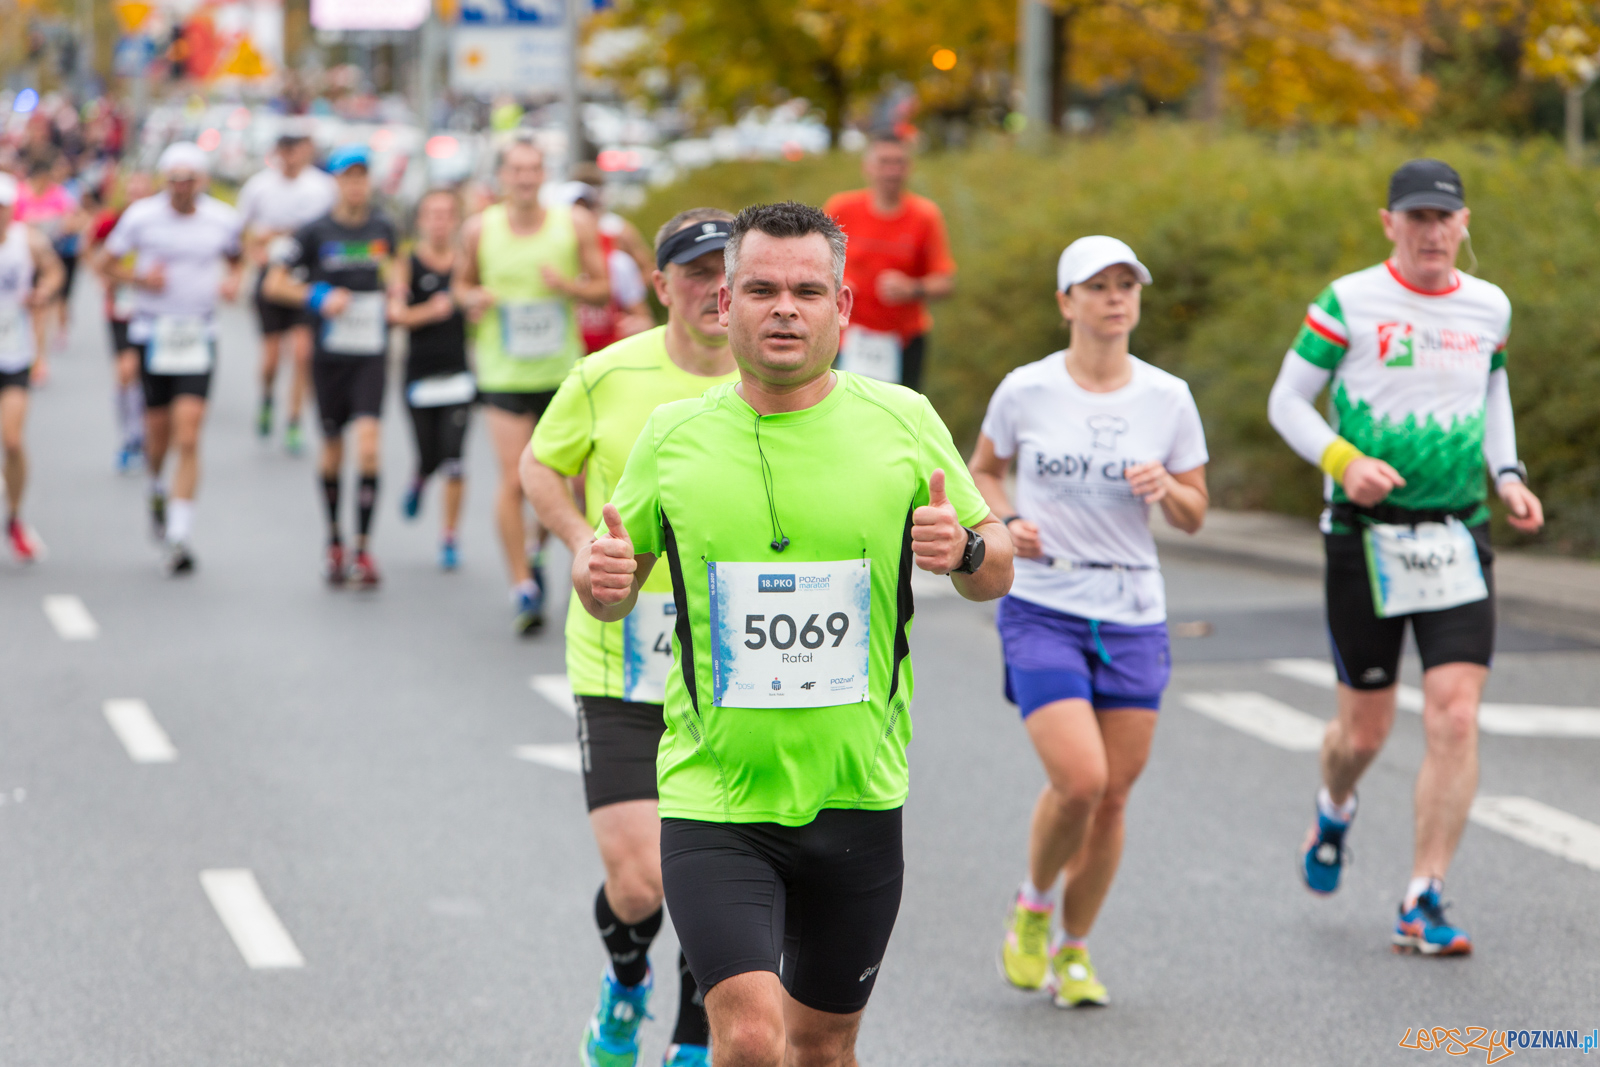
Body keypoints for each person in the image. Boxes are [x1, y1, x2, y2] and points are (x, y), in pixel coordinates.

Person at [575, 201, 1012, 1067]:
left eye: (808, 291)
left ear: (842, 308)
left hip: (858, 792)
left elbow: (993, 564)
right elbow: (609, 589)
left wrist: (963, 547)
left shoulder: (903, 419)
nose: (786, 307)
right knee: (745, 1035)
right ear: (726, 301)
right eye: (763, 289)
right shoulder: (674, 435)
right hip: (715, 796)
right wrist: (606, 583)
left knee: (822, 1046)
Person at [1266, 159, 1544, 957]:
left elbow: (1492, 390)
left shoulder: (1489, 305)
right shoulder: (1348, 300)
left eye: (1443, 218)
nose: (1431, 232)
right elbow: (1286, 400)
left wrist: (1510, 474)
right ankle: (1334, 805)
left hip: (1457, 532)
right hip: (1365, 533)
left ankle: (1423, 894)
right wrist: (1341, 460)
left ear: (1464, 224)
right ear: (1389, 223)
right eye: (1415, 217)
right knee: (1365, 733)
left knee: (1456, 712)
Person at [522, 208, 739, 1067]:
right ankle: (625, 982)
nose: (716, 286)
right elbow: (541, 465)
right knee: (641, 879)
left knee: (707, 875)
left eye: (731, 268)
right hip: (619, 663)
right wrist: (583, 546)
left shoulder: (773, 383)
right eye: (696, 270)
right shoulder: (607, 374)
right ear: (660, 286)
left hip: (729, 673)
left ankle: (691, 1040)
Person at [970, 236, 1209, 1007]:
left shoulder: (1167, 397)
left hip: (1134, 609)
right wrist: (1005, 519)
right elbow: (983, 466)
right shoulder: (1026, 389)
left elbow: (1196, 513)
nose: (1115, 298)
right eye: (1096, 286)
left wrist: (1167, 486)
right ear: (1066, 302)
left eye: (1126, 285)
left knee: (1113, 797)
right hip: (1044, 603)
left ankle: (1074, 948)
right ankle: (1034, 903)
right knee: (1081, 778)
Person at [454, 133, 609, 634]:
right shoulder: (481, 229)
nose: (525, 178)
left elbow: (604, 286)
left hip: (561, 371)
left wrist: (568, 287)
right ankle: (522, 584)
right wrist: (472, 298)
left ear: (544, 174)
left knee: (569, 482)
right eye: (516, 169)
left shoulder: (574, 223)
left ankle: (539, 552)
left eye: (533, 169)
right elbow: (460, 284)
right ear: (501, 176)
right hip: (503, 370)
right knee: (515, 478)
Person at [98, 142, 245, 575]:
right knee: (157, 435)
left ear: (202, 182)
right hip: (153, 331)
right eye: (175, 181)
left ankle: (179, 534)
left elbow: (238, 259)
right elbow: (103, 263)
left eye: (190, 181)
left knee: (189, 433)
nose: (182, 189)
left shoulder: (221, 219)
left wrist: (234, 282)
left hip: (198, 332)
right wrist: (140, 277)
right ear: (166, 182)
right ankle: (157, 487)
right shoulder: (142, 217)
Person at [264, 145, 398, 589]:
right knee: (334, 449)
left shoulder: (385, 228)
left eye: (362, 176)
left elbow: (395, 278)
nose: (356, 184)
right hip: (330, 355)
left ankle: (363, 548)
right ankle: (334, 540)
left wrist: (396, 300)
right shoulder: (314, 232)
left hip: (371, 353)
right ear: (336, 182)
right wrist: (320, 298)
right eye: (347, 177)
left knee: (370, 445)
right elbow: (274, 284)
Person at [822, 132, 955, 392]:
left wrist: (912, 288)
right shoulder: (842, 208)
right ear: (867, 167)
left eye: (899, 163)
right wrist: (837, 283)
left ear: (909, 168)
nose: (892, 171)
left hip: (903, 340)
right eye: (884, 162)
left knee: (899, 416)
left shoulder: (925, 216)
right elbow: (812, 264)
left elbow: (946, 282)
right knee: (842, 410)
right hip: (846, 335)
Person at [237, 129, 338, 453]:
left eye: (296, 150)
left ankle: (294, 420)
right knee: (270, 358)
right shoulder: (259, 186)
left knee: (303, 354)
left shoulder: (322, 188)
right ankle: (267, 396)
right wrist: (255, 253)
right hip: (272, 278)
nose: (290, 158)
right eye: (285, 150)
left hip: (305, 278)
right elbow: (242, 232)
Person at [388, 189, 471, 570]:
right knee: (429, 455)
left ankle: (449, 537)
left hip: (457, 374)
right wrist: (432, 311)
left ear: (455, 220)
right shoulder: (406, 264)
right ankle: (419, 479)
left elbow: (478, 303)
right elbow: (396, 315)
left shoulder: (466, 264)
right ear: (421, 220)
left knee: (454, 460)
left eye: (446, 214)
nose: (439, 222)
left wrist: (476, 305)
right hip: (419, 375)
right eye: (432, 214)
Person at [0, 172, 65, 562]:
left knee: (12, 440)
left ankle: (15, 518)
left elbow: (56, 270)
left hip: (13, 353)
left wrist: (44, 291)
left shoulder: (29, 241)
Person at [88, 169, 156, 472]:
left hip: (154, 308)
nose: (137, 198)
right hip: (120, 307)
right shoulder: (111, 222)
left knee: (146, 373)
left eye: (143, 192)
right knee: (125, 370)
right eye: (132, 192)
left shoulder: (159, 223)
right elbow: (89, 249)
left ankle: (144, 432)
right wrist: (103, 276)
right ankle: (129, 436)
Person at [557, 180, 653, 354]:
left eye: (587, 209)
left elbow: (644, 319)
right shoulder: (551, 265)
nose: (582, 218)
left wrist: (635, 325)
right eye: (573, 211)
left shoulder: (618, 262)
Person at [15, 152, 85, 380]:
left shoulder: (59, 194)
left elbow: (77, 219)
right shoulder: (18, 195)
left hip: (52, 256)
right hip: (21, 260)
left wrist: (63, 224)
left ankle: (38, 359)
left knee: (40, 309)